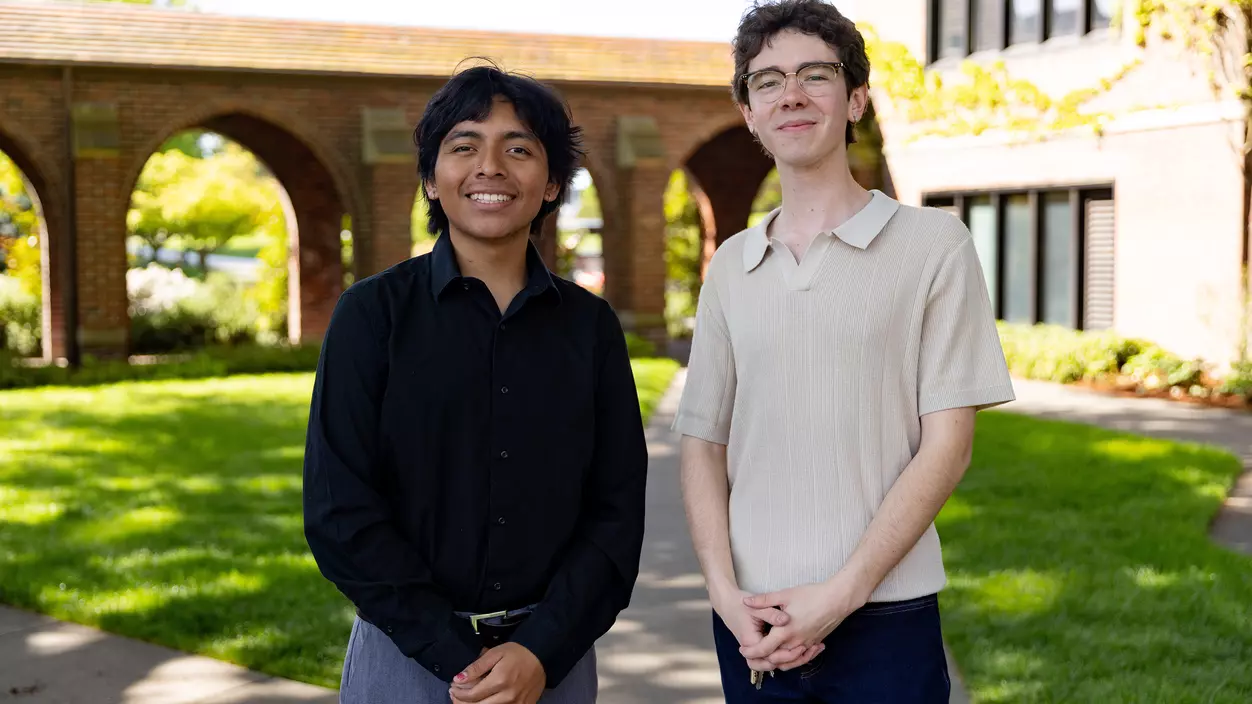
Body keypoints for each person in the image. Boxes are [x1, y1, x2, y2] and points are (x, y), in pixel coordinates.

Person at [673, 1, 1016, 701]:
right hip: (753, 619)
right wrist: (724, 594)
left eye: (814, 75)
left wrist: (842, 594)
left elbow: (948, 446)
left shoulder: (934, 246)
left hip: (887, 618)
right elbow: (702, 443)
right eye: (766, 81)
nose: (790, 95)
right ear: (748, 110)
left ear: (856, 97)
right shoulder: (732, 267)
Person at [302, 63, 648, 704]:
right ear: (432, 180)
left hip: (554, 660)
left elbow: (616, 513)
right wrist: (456, 658)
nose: (490, 166)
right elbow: (339, 512)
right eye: (464, 146)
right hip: (405, 656)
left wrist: (539, 652)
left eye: (519, 149)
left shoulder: (590, 327)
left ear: (551, 186)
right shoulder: (371, 316)